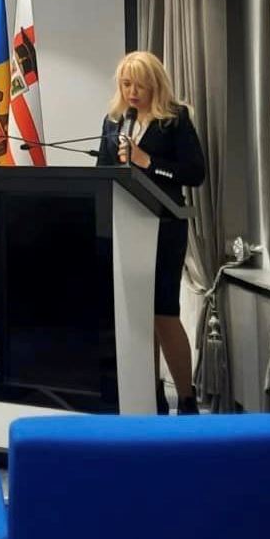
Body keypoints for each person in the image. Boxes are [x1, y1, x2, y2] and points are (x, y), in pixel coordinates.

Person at [97, 51, 205, 414]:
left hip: (165, 227)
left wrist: (148, 162)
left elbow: (195, 174)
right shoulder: (113, 122)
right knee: (137, 318)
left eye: (139, 85)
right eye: (126, 84)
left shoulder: (175, 120)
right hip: (125, 228)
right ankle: (150, 396)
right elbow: (102, 172)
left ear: (155, 85)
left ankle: (186, 399)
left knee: (163, 312)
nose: (132, 92)